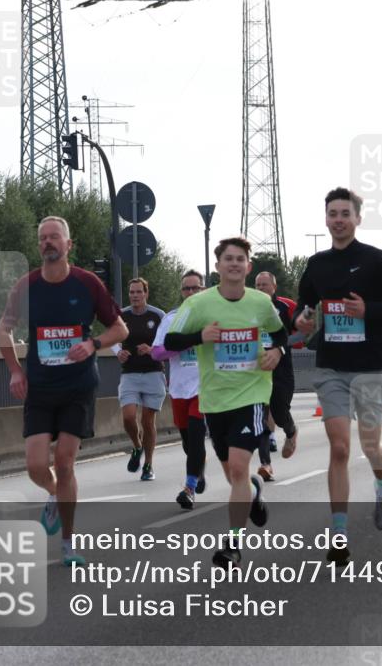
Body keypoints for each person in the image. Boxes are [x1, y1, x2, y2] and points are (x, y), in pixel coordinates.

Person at [293, 187, 382, 566]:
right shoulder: (316, 265)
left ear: (358, 218)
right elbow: (302, 309)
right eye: (332, 213)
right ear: (325, 218)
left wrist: (369, 310)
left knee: (370, 446)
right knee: (339, 448)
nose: (338, 219)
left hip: (369, 367)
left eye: (345, 213)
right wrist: (301, 319)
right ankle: (339, 534)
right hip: (331, 367)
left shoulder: (375, 260)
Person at [0, 216, 128, 566]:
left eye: (55, 237)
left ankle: (68, 544)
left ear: (69, 245)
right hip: (39, 386)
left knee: (65, 462)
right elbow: (2, 330)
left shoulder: (87, 284)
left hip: (77, 386)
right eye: (43, 238)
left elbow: (120, 328)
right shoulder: (26, 286)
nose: (48, 243)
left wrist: (92, 343)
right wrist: (14, 371)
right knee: (36, 466)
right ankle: (54, 494)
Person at [164, 237, 286, 568]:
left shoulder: (261, 302)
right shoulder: (198, 305)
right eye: (228, 259)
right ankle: (254, 492)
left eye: (240, 259)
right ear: (217, 267)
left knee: (237, 467)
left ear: (248, 266)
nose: (234, 264)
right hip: (214, 401)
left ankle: (232, 545)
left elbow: (281, 332)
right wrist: (199, 337)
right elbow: (171, 341)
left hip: (252, 396)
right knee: (236, 476)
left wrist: (278, 351)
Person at [151, 270, 207, 509]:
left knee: (196, 436)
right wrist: (185, 343)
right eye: (187, 288)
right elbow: (156, 352)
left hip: (205, 387)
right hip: (179, 389)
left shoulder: (212, 316)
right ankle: (198, 470)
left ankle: (189, 487)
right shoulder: (172, 318)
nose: (191, 292)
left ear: (204, 290)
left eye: (196, 288)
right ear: (181, 292)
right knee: (187, 442)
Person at [114, 278, 166, 481]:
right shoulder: (122, 315)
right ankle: (137, 447)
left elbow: (166, 343)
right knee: (128, 417)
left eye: (138, 292)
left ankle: (148, 465)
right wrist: (118, 351)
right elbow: (112, 337)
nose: (135, 296)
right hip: (129, 373)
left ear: (146, 293)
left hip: (153, 372)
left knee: (147, 420)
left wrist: (153, 350)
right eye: (131, 292)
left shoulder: (158, 315)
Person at [253, 270, 298, 481]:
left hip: (281, 369)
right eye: (258, 285)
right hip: (257, 371)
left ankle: (291, 432)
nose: (261, 288)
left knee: (280, 414)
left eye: (265, 285)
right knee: (260, 418)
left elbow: (300, 333)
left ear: (274, 287)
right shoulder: (247, 307)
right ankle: (265, 464)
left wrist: (280, 347)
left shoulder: (285, 306)